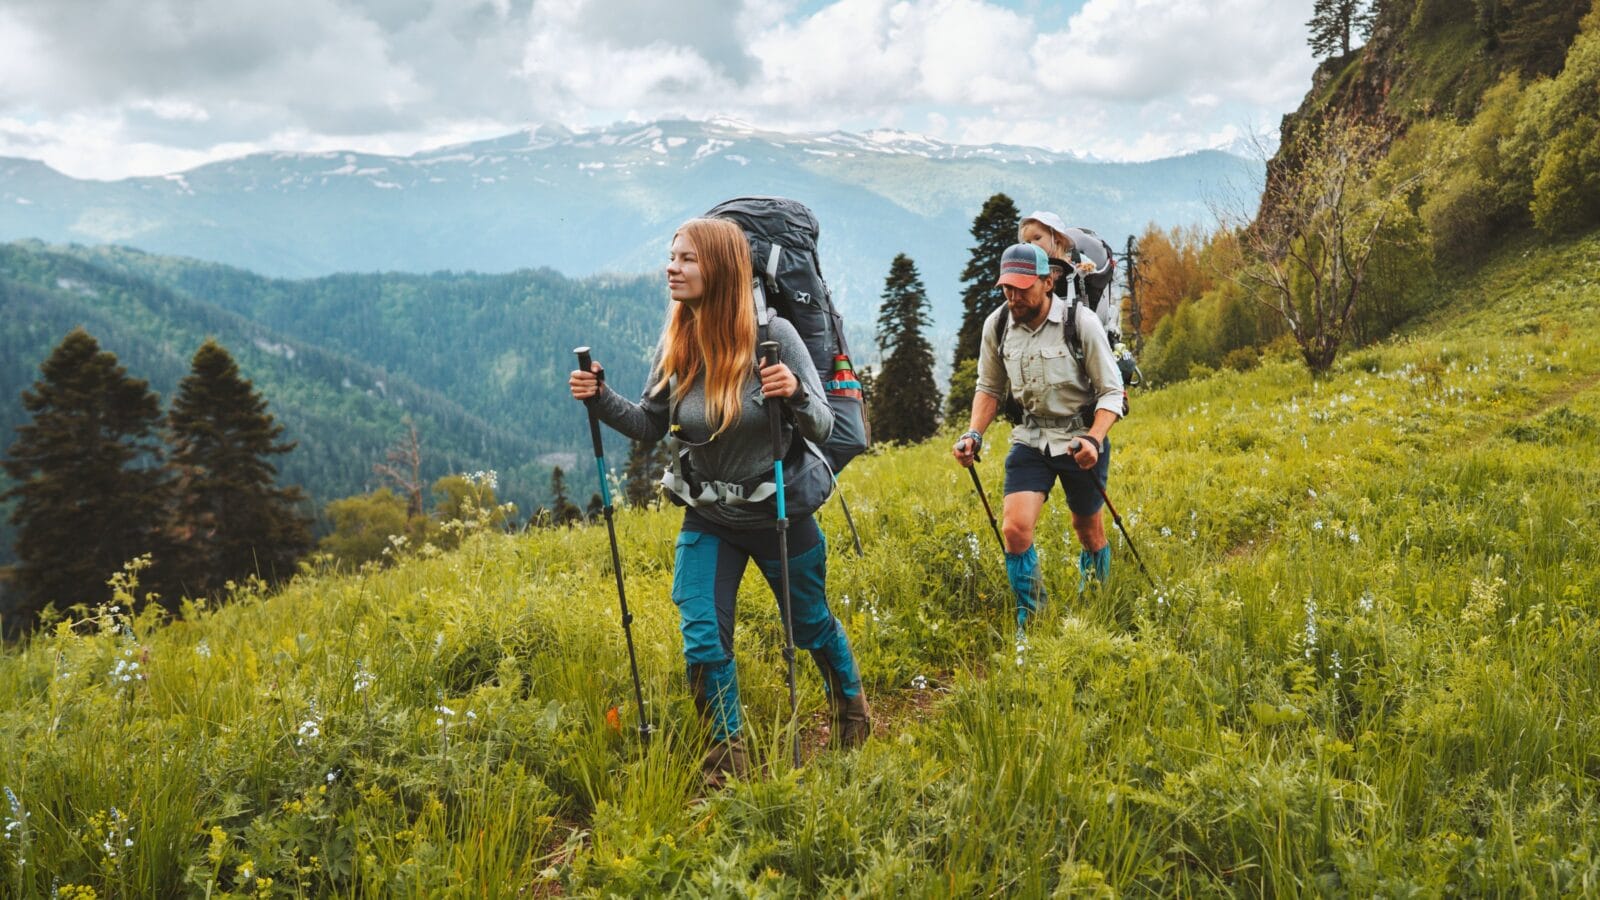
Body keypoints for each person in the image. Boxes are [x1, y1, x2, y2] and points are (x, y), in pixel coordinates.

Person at [569, 217, 871, 787]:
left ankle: (851, 713)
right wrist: (601, 397)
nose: (671, 267)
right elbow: (649, 424)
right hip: (708, 514)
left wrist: (797, 392)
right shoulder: (679, 340)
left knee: (808, 626)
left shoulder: (773, 335)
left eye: (685, 258)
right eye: (671, 255)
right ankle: (725, 767)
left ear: (721, 269)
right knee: (704, 636)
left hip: (779, 511)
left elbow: (824, 423)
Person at [952, 238, 1125, 633]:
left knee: (1088, 530)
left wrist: (1094, 441)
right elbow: (989, 389)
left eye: (1021, 286)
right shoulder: (997, 326)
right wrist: (973, 435)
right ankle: (1033, 619)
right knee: (1014, 528)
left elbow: (1112, 393)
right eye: (1006, 287)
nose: (1012, 295)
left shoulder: (1080, 323)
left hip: (1081, 439)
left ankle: (1097, 601)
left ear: (1048, 282)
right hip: (1030, 438)